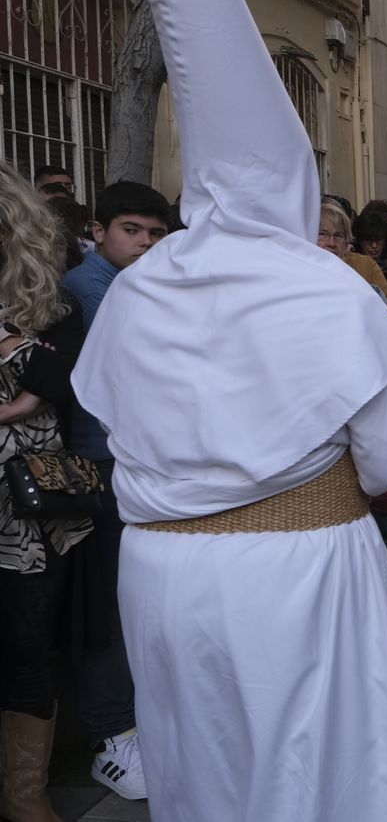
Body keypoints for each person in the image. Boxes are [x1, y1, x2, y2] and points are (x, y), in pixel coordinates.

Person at [70, 0, 387, 817]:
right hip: (299, 575)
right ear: (289, 176)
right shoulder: (327, 290)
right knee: (312, 775)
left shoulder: (135, 290)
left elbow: (112, 422)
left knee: (203, 770)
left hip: (160, 580)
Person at [62, 181, 171, 802]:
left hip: (135, 462)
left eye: (155, 234)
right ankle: (113, 737)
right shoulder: (90, 288)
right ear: (99, 231)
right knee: (107, 605)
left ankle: (136, 723)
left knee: (134, 600)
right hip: (95, 466)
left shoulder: (137, 284)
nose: (145, 243)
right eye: (132, 230)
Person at [0, 164, 90, 822]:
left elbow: (67, 368)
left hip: (24, 503)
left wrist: (30, 366)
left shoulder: (51, 298)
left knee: (27, 643)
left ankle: (25, 794)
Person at [319, 204, 387, 317]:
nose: (331, 243)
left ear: (347, 242)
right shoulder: (297, 269)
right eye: (323, 234)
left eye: (339, 236)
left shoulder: (364, 264)